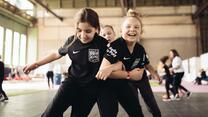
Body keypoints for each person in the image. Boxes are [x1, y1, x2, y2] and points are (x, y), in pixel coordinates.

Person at [23, 8, 120, 117]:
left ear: (96, 29)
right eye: (79, 30)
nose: (83, 35)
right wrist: (36, 64)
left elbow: (119, 63)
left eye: (88, 31)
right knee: (50, 114)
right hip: (71, 84)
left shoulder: (102, 44)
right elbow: (56, 54)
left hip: (90, 90)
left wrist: (110, 68)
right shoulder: (71, 41)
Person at [96, 9, 161, 117]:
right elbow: (103, 71)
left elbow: (145, 65)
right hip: (123, 81)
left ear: (141, 32)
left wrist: (155, 74)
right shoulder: (115, 47)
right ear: (121, 31)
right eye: (128, 26)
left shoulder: (140, 48)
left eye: (136, 27)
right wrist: (129, 74)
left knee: (148, 104)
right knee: (114, 111)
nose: (132, 29)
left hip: (137, 77)